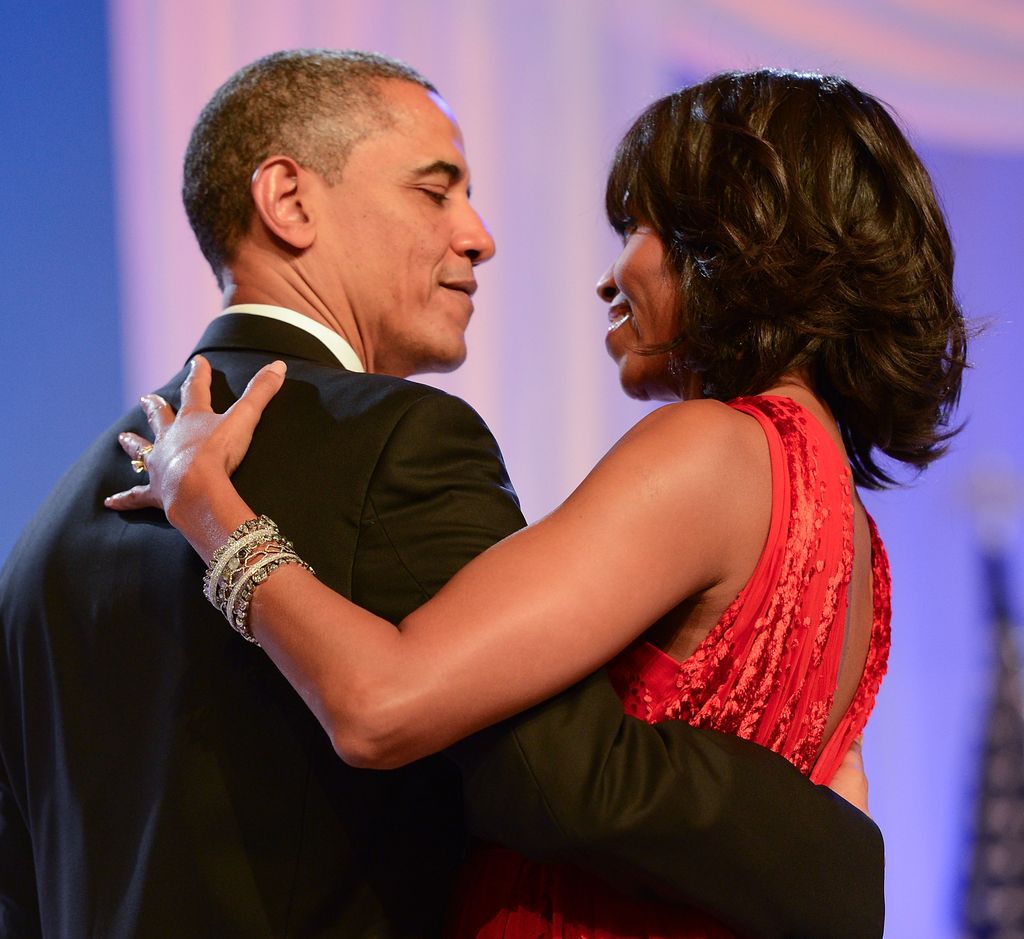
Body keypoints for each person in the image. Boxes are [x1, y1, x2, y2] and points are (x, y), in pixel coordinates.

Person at [0, 52, 882, 939]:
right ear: (289, 201)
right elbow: (557, 768)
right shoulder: (397, 441)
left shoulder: (45, 540)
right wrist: (834, 852)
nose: (479, 234)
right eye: (436, 190)